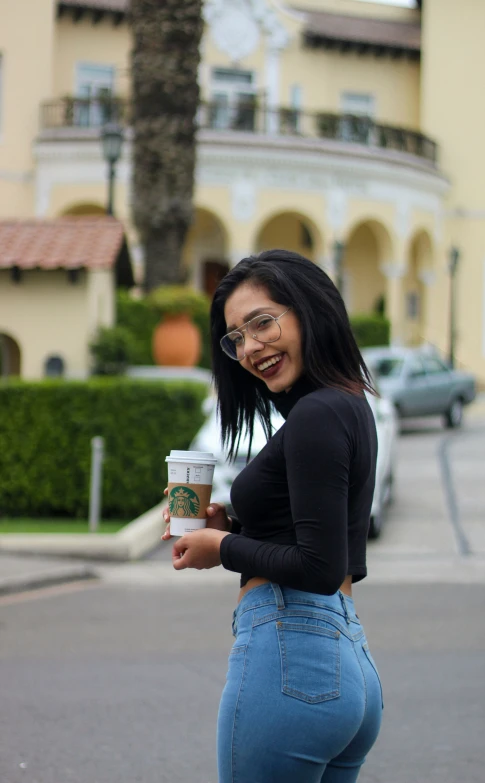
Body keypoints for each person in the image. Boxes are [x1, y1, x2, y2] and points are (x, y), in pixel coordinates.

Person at [162, 249, 383, 783]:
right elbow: (319, 539)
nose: (251, 346)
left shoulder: (317, 414)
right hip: (346, 657)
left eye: (263, 322)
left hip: (291, 653)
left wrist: (222, 549)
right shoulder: (346, 404)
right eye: (236, 337)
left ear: (309, 310)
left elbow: (319, 564)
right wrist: (232, 527)